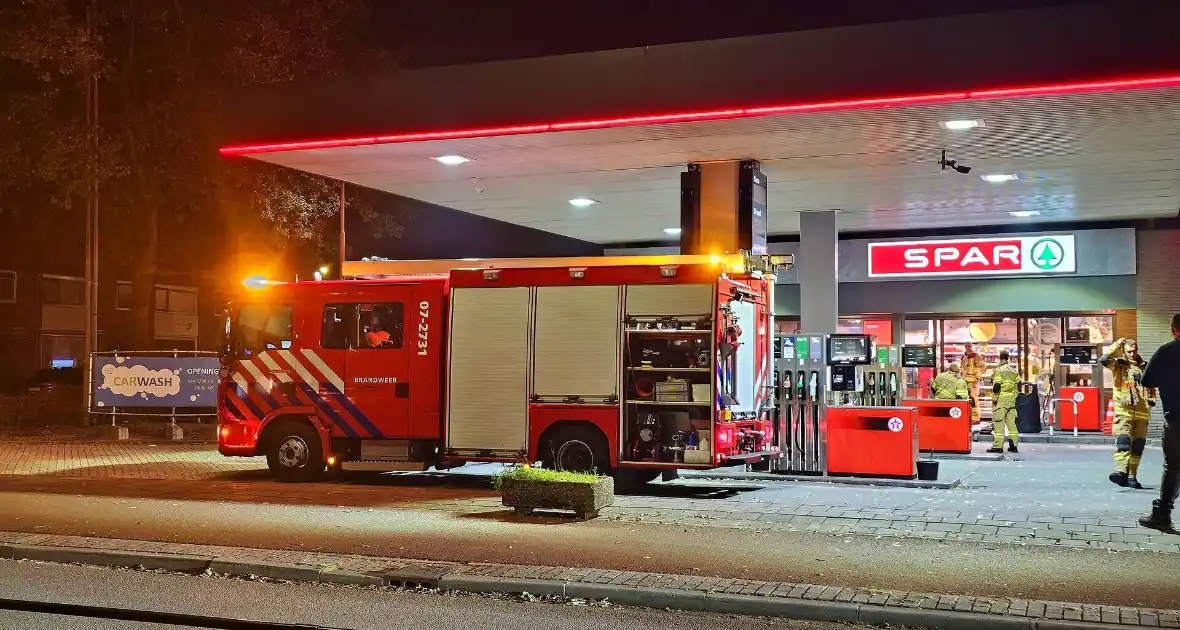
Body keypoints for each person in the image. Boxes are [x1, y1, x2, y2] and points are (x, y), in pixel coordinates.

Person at [1139, 314, 1180, 533]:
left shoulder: (1166, 351)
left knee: (1173, 467)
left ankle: (1162, 515)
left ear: (1173, 330)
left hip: (1177, 420)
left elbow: (1147, 380)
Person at [1101, 338, 1156, 489]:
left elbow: (1151, 387)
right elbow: (1104, 359)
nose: (1132, 354)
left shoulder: (1144, 367)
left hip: (1142, 413)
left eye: (1135, 351)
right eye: (1129, 351)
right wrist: (1116, 345)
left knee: (1138, 446)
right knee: (1124, 443)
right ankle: (1120, 472)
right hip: (1123, 412)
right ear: (1123, 351)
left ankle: (1132, 477)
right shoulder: (1118, 364)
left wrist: (1152, 399)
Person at [987, 349, 1020, 454]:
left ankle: (998, 446)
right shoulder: (1014, 370)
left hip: (1001, 400)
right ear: (1008, 357)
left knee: (998, 423)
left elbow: (996, 386)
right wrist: (1014, 396)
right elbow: (1019, 384)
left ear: (1000, 357)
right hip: (1011, 401)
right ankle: (1014, 446)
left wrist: (995, 399)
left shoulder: (998, 370)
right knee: (1012, 424)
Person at [962, 342, 986, 422]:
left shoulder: (976, 356)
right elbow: (961, 368)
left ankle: (976, 418)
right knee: (966, 400)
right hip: (965, 382)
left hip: (973, 383)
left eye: (968, 345)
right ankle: (969, 417)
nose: (967, 347)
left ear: (971, 346)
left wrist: (977, 377)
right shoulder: (963, 357)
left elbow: (983, 366)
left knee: (974, 400)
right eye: (966, 346)